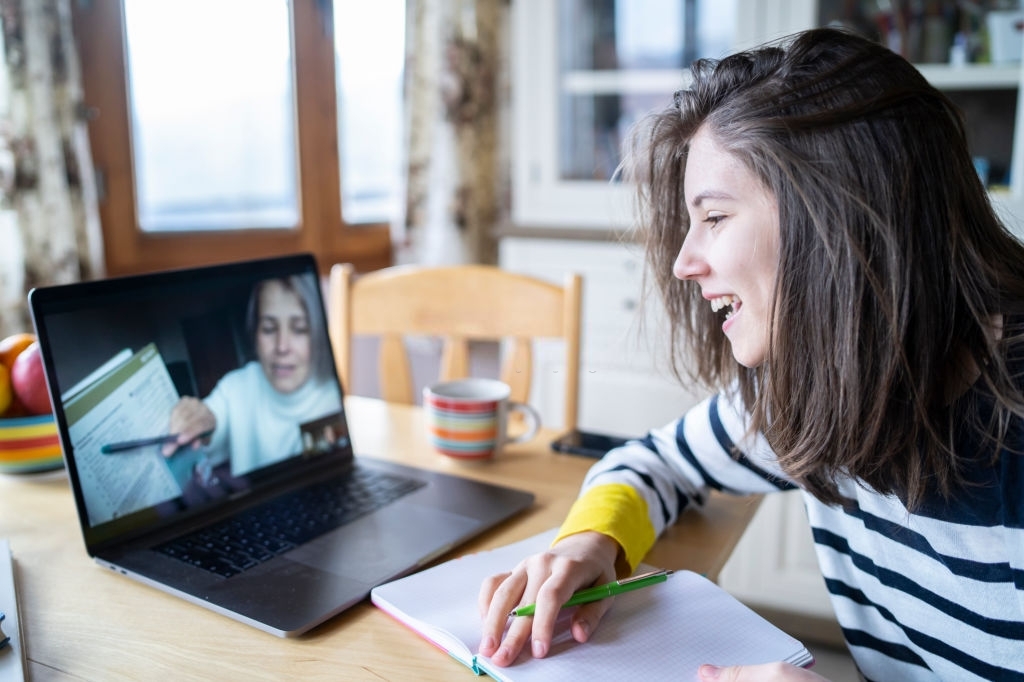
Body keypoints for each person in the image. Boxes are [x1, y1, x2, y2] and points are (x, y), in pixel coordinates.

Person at [477, 27, 1024, 681]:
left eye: (713, 217)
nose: (684, 262)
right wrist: (590, 544)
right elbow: (656, 463)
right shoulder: (814, 388)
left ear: (836, 216)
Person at [163, 274, 342, 475]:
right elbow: (211, 417)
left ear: (318, 333)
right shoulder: (235, 387)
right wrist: (200, 420)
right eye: (268, 329)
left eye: (299, 329)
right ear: (254, 334)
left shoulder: (338, 396)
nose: (282, 346)